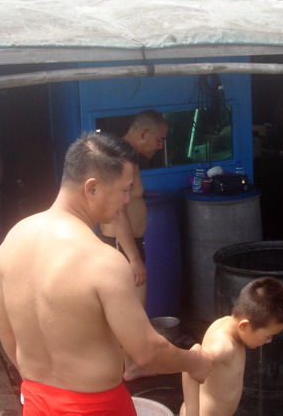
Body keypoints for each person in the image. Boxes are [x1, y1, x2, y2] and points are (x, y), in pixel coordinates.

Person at [0, 132, 211, 415]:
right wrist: (195, 362)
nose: (127, 200)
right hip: (96, 406)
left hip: (36, 399)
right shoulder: (103, 262)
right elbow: (147, 351)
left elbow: (1, 320)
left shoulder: (13, 238)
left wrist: (33, 380)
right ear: (92, 188)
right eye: (125, 190)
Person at [97, 109, 168, 380]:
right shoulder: (121, 160)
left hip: (127, 243)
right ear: (142, 134)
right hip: (122, 245)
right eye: (159, 140)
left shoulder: (125, 157)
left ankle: (128, 364)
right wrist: (134, 258)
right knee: (132, 309)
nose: (160, 146)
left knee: (129, 308)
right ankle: (131, 367)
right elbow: (118, 212)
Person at [180, 276, 283, 416]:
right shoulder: (225, 345)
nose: (269, 341)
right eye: (267, 336)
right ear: (244, 325)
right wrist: (192, 413)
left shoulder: (225, 322)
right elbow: (189, 365)